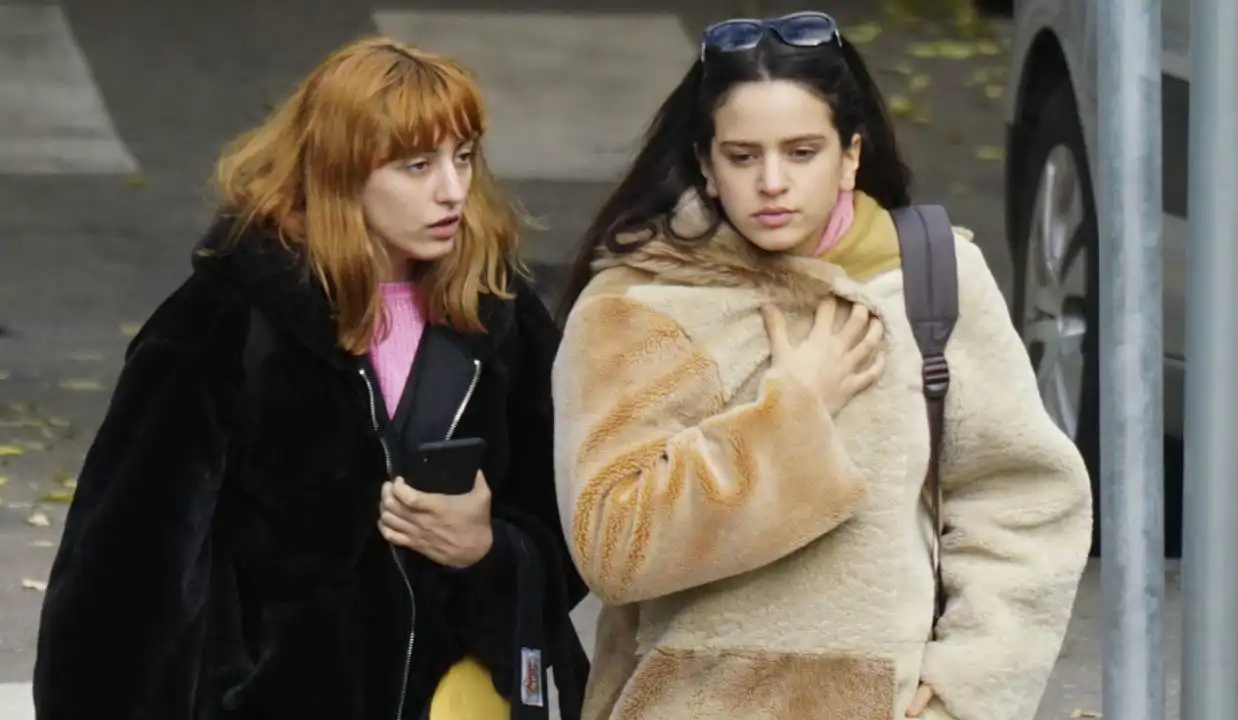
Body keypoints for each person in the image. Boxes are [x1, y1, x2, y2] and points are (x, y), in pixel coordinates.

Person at [552, 11, 1091, 720]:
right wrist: (791, 414)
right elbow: (612, 546)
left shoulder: (931, 280)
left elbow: (1024, 501)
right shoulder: (639, 303)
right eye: (743, 157)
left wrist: (968, 689)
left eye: (802, 151)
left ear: (851, 157)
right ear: (707, 167)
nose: (772, 182)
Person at [33, 36, 588, 720]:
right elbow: (122, 570)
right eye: (416, 166)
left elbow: (578, 519)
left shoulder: (497, 314)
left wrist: (491, 551)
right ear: (341, 172)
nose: (452, 190)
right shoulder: (226, 320)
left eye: (464, 157)